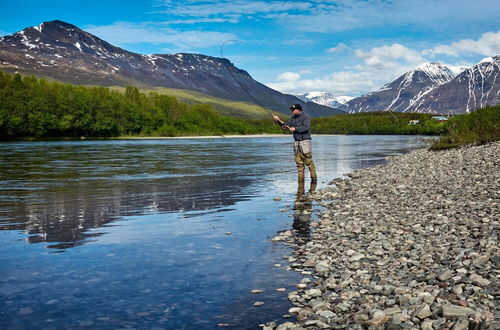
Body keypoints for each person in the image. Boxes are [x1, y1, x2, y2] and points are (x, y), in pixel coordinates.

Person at [273, 104, 317, 184]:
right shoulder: (293, 118)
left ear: (298, 110)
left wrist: (295, 129)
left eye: (293, 109)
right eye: (292, 109)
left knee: (309, 163)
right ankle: (301, 184)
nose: (292, 111)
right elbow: (285, 125)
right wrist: (278, 121)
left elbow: (306, 128)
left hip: (305, 142)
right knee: (299, 164)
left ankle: (314, 181)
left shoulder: (306, 117)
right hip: (297, 143)